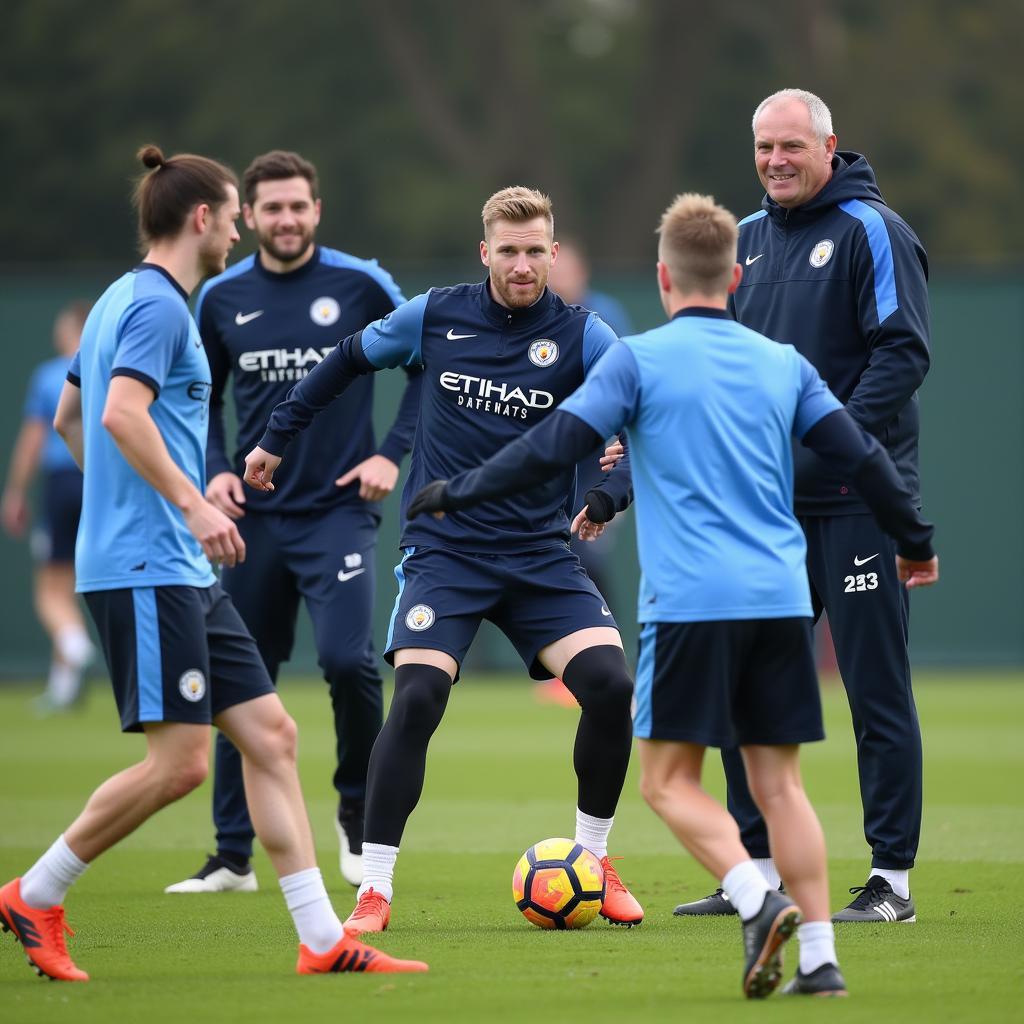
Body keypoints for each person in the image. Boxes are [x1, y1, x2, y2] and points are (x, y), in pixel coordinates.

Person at [403, 191, 939, 998]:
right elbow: (863, 454)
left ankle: (757, 899)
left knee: (664, 784)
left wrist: (455, 492)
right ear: (735, 276)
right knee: (781, 784)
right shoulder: (781, 363)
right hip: (779, 600)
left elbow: (552, 446)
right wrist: (917, 537)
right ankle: (822, 958)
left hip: (692, 604)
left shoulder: (637, 359)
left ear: (663, 276)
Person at [0, 145, 426, 981]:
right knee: (182, 765)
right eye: (235, 214)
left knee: (270, 735)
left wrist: (135, 504)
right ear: (204, 218)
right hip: (148, 568)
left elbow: (69, 421)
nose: (238, 229)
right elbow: (122, 413)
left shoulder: (119, 298)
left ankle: (320, 939)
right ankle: (34, 893)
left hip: (169, 565)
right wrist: (186, 506)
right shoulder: (160, 306)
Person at [243, 186, 644, 934]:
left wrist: (606, 493)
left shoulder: (587, 338)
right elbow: (345, 361)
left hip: (540, 557)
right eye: (509, 250)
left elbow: (631, 429)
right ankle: (376, 889)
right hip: (447, 554)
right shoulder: (433, 315)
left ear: (554, 255)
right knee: (420, 695)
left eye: (535, 252)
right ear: (484, 251)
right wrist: (275, 436)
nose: (522, 266)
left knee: (612, 685)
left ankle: (593, 861)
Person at [672, 88, 932, 925]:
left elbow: (903, 353)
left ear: (828, 147)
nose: (776, 161)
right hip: (762, 511)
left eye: (791, 146)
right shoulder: (745, 240)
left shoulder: (872, 231)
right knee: (749, 692)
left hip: (855, 501)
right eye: (762, 149)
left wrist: (831, 438)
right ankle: (750, 871)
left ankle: (891, 879)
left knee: (873, 689)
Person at [164, 150, 420, 895]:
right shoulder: (218, 298)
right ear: (249, 214)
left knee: (348, 662)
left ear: (317, 209)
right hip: (252, 520)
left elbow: (426, 367)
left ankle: (355, 812)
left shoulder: (362, 284)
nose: (286, 220)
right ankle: (232, 855)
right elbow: (198, 397)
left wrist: (392, 455)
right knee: (239, 682)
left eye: (298, 206)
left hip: (340, 512)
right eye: (271, 208)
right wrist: (214, 469)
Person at [2, 303, 95, 711]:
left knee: (51, 589)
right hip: (99, 482)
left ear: (70, 330)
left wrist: (15, 492)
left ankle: (75, 644)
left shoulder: (48, 374)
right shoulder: (111, 369)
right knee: (72, 586)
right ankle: (62, 689)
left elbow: (33, 439)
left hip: (61, 483)